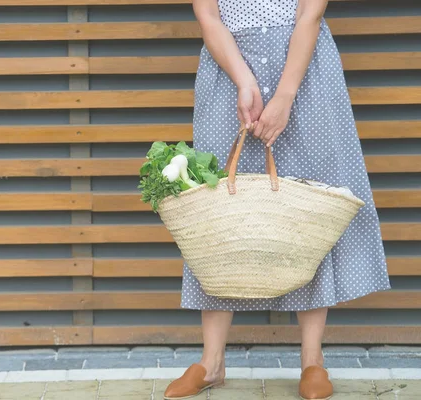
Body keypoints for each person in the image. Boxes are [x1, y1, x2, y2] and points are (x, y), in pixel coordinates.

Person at [164, 1, 391, 399]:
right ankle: (212, 361)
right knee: (217, 210)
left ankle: (312, 360)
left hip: (303, 71)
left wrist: (285, 94)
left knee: (310, 208)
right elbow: (209, 18)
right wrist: (244, 80)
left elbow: (309, 15)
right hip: (228, 68)